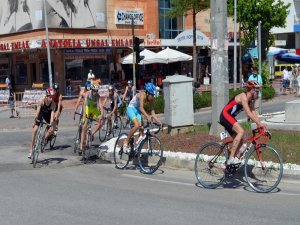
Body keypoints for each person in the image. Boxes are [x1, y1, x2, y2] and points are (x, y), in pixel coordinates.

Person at [219, 81, 267, 165]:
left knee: (240, 141)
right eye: (257, 91)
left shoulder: (250, 101)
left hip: (230, 117)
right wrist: (259, 124)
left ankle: (226, 164)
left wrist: (260, 124)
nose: (258, 94)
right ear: (252, 91)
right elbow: (248, 114)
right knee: (241, 131)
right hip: (225, 115)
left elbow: (253, 112)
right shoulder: (243, 97)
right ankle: (231, 159)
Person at [123, 82, 163, 153]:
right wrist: (147, 116)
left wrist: (159, 122)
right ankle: (126, 141)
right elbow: (141, 108)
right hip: (131, 108)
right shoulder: (142, 95)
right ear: (147, 93)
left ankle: (137, 148)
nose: (153, 97)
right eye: (152, 95)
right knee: (137, 125)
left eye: (153, 95)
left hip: (137, 110)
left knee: (141, 129)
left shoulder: (151, 99)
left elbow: (153, 112)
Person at [28, 88, 56, 159]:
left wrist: (51, 125)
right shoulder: (41, 100)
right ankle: (31, 150)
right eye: (50, 96)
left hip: (48, 116)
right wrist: (34, 122)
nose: (51, 98)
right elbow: (37, 113)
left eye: (52, 96)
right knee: (34, 130)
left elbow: (52, 116)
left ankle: (44, 140)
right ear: (46, 96)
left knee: (52, 129)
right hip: (41, 114)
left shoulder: (53, 104)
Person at [80, 83, 104, 157]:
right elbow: (84, 104)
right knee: (84, 126)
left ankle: (91, 134)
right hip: (87, 108)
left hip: (93, 109)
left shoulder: (98, 96)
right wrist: (84, 115)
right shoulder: (87, 94)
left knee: (102, 121)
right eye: (94, 91)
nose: (95, 92)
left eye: (96, 91)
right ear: (91, 90)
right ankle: (81, 145)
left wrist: (102, 115)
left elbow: (100, 106)